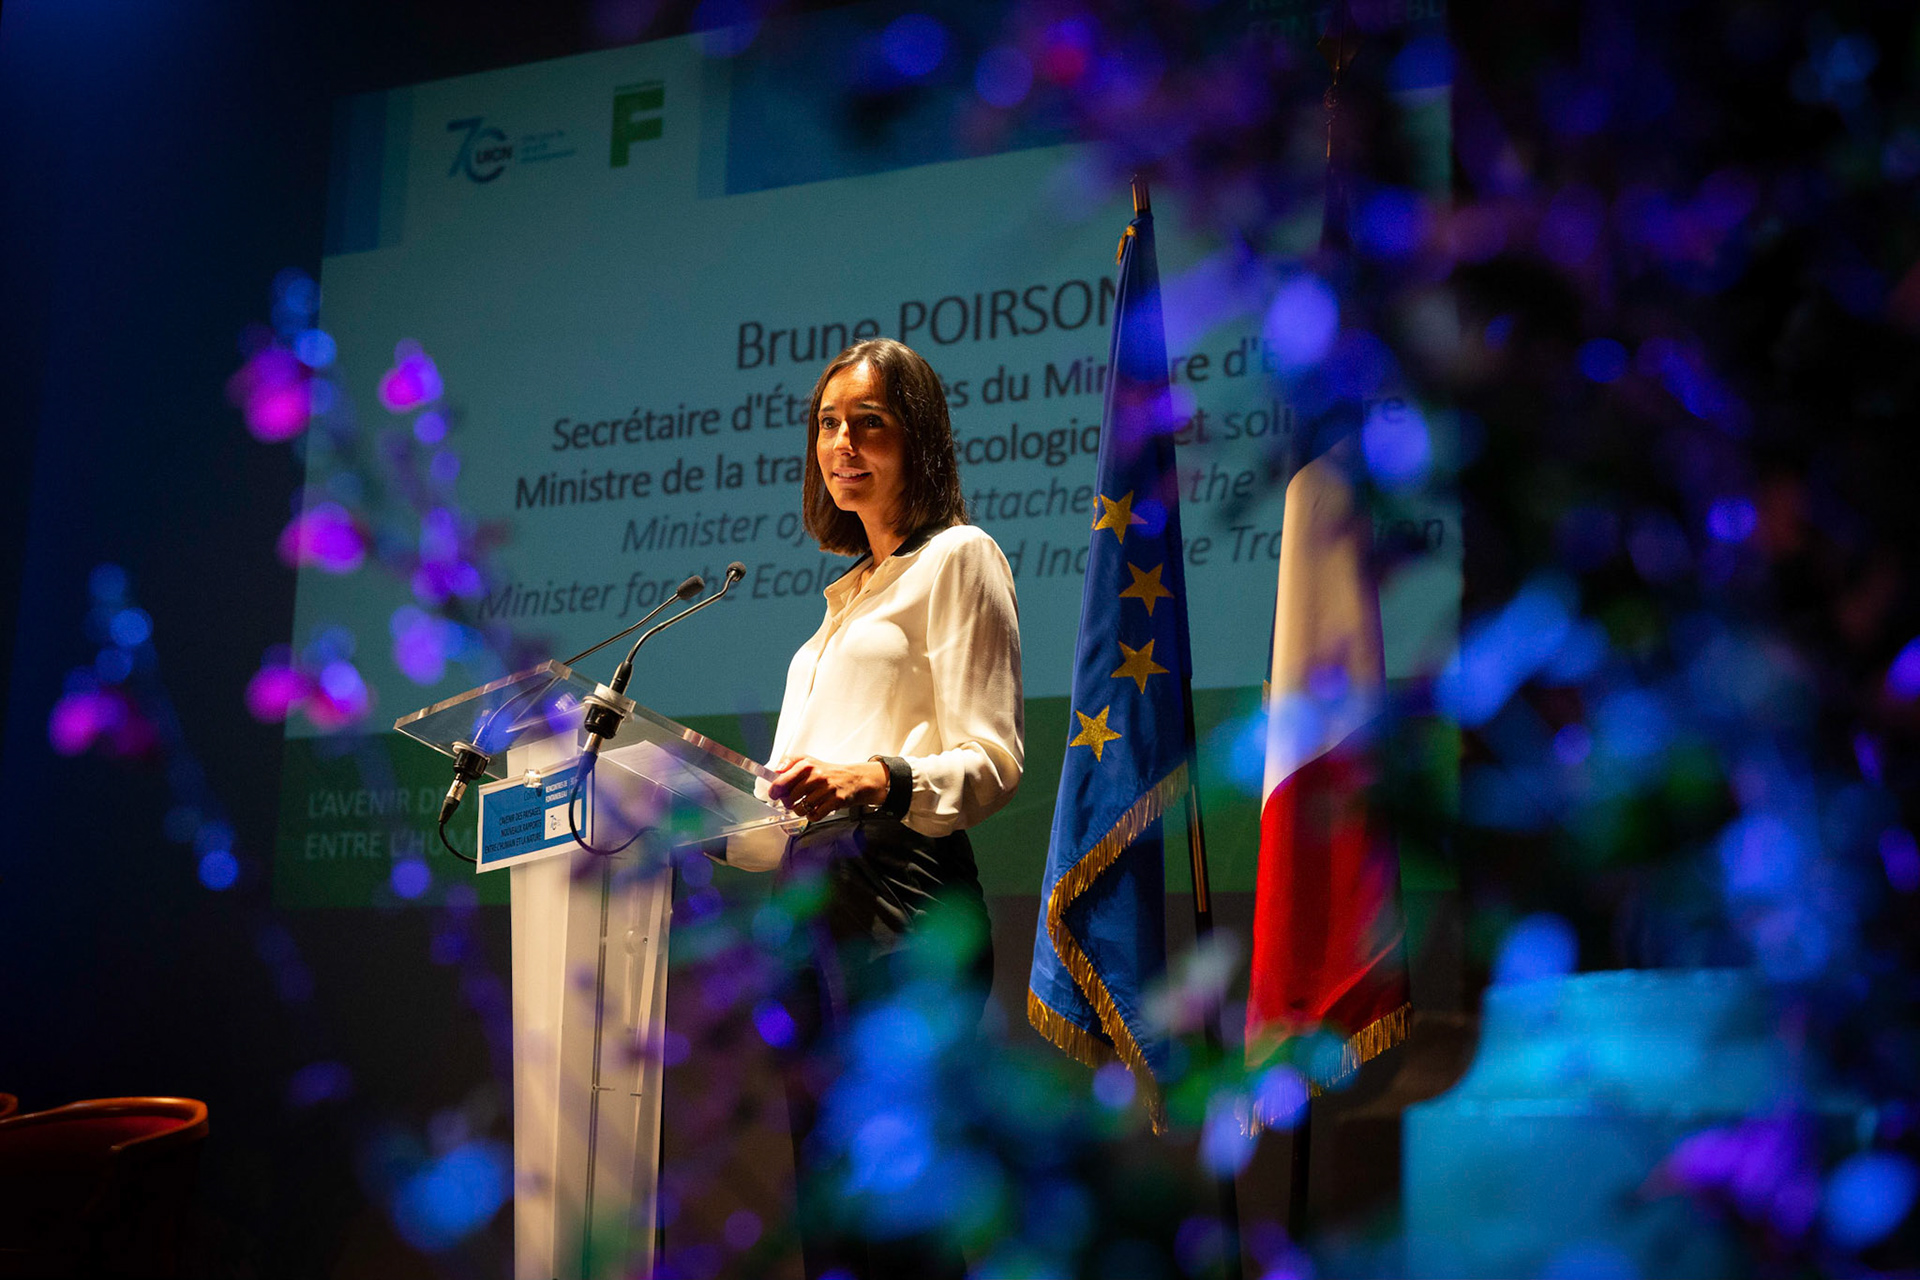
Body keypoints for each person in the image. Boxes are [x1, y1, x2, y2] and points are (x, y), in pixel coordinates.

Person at [730, 337, 1023, 1280]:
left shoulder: (961, 559)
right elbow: (779, 793)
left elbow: (992, 758)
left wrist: (878, 779)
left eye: (869, 425)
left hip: (906, 901)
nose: (842, 445)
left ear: (918, 441)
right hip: (811, 911)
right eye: (827, 425)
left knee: (904, 1208)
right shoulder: (837, 607)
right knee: (832, 1214)